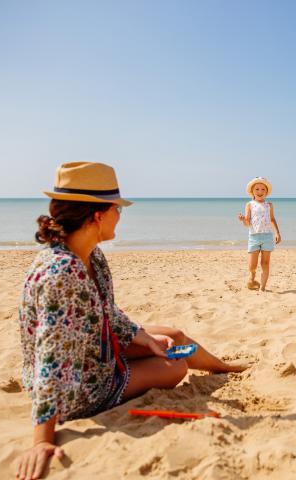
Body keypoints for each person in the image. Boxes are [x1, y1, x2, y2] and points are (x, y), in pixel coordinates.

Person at [16, 162, 246, 480]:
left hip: (95, 346)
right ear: (98, 214)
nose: (120, 216)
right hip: (79, 387)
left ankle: (221, 367)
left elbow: (108, 313)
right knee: (176, 365)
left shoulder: (91, 254)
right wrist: (41, 441)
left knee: (173, 336)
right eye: (117, 209)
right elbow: (50, 363)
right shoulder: (61, 274)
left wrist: (142, 337)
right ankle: (208, 366)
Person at [237, 177, 281, 291]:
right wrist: (243, 220)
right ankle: (252, 277)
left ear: (266, 192)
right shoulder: (249, 204)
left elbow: (272, 219)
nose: (260, 192)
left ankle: (262, 288)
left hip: (267, 237)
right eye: (257, 189)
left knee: (265, 263)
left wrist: (277, 233)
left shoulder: (269, 205)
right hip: (254, 237)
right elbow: (247, 223)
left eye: (262, 189)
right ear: (252, 191)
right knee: (252, 266)